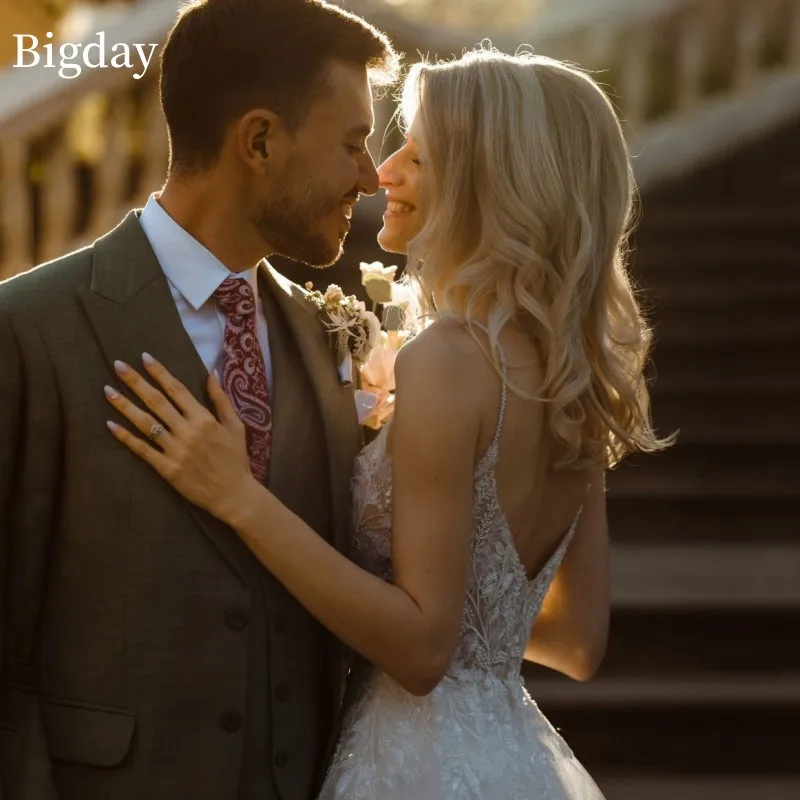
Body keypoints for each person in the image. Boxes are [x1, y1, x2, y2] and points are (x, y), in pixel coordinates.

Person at [102, 47, 674, 798]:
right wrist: (431, 592)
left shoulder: (447, 361)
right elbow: (576, 640)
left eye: (420, 155)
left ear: (486, 182)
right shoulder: (572, 376)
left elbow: (422, 649)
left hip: (414, 766)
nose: (383, 171)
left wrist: (239, 497)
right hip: (511, 759)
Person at [0, 1, 398, 798]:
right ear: (258, 140)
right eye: (353, 143)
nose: (370, 175)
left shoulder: (330, 341)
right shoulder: (28, 331)